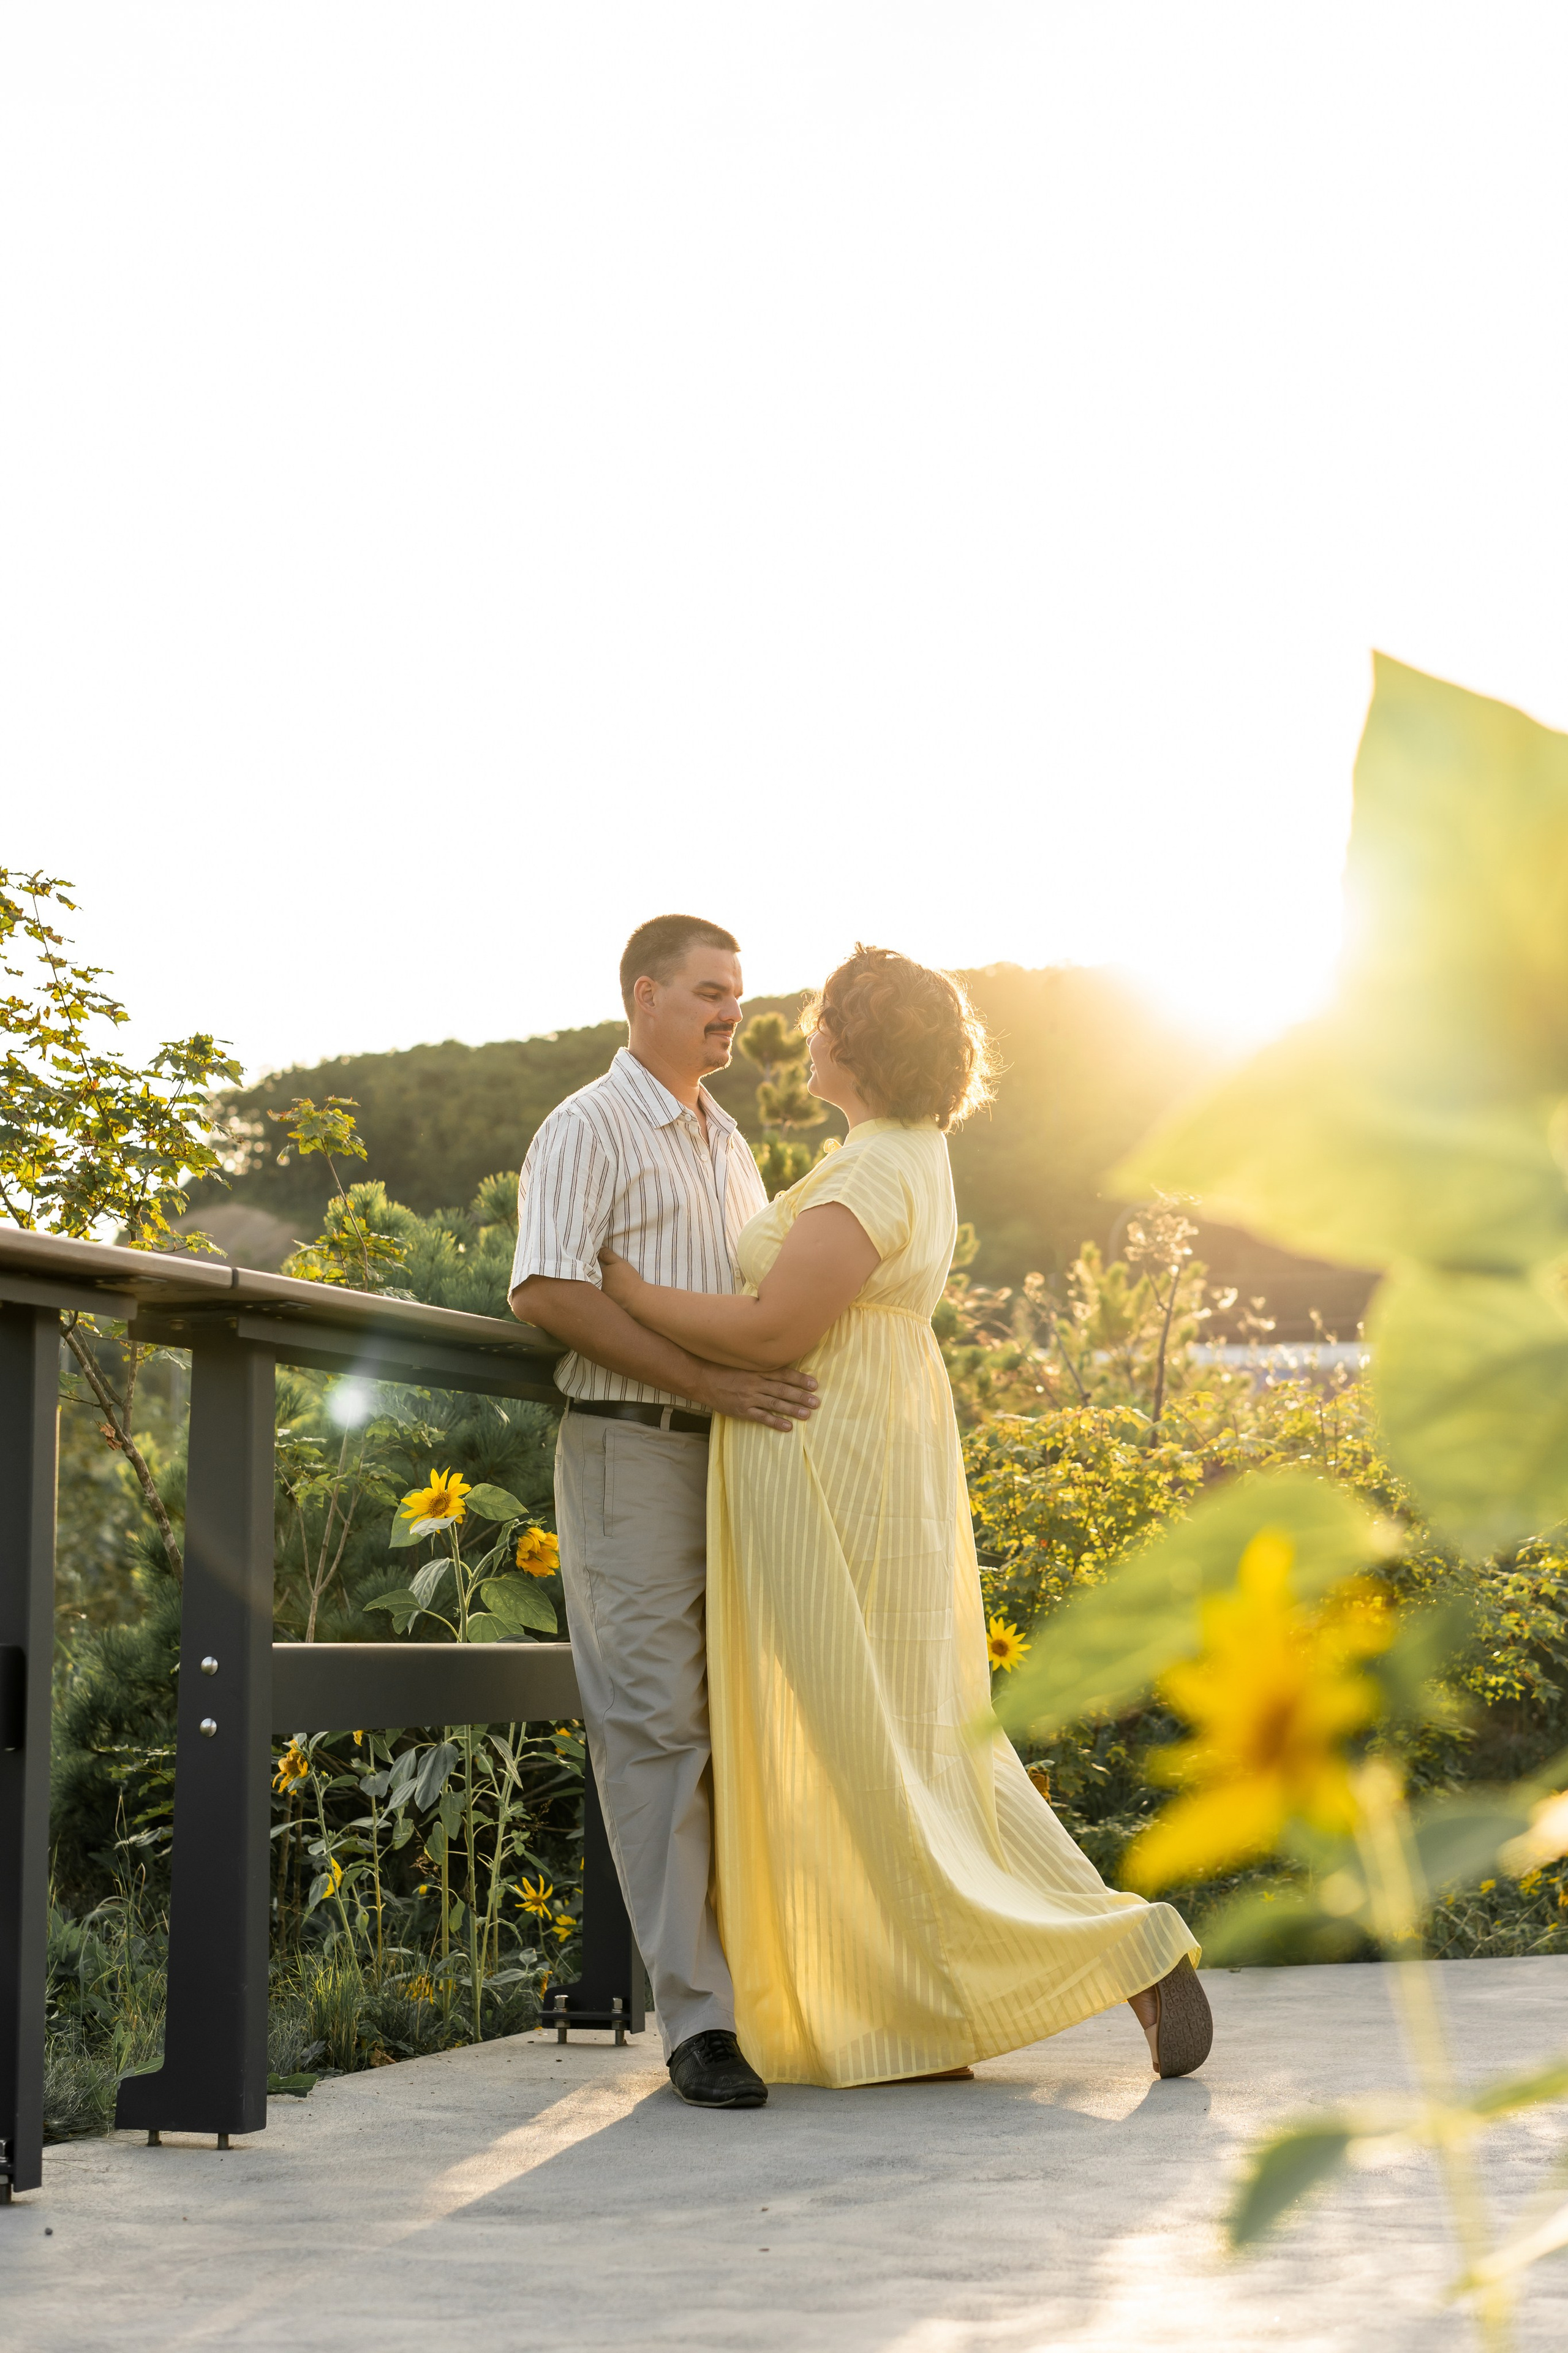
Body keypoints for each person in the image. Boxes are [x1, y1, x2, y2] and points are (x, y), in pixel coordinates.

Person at [598, 943, 1213, 2089]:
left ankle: (1108, 1949)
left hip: (827, 1465)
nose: (809, 1035)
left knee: (864, 1742)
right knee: (914, 1741)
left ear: (859, 1044)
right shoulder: (905, 1154)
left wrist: (627, 1293)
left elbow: (778, 1329)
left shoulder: (876, 1165)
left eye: (826, 1019)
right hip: (870, 1452)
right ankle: (933, 2004)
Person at [509, 913, 819, 2112]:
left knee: (746, 1723)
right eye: (707, 990)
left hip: (736, 1461)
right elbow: (546, 1288)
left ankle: (777, 1997)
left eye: (737, 993)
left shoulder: (727, 1138)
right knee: (654, 1728)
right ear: (643, 995)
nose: (731, 1011)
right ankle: (699, 2022)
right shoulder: (586, 1125)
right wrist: (706, 1383)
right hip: (630, 1450)